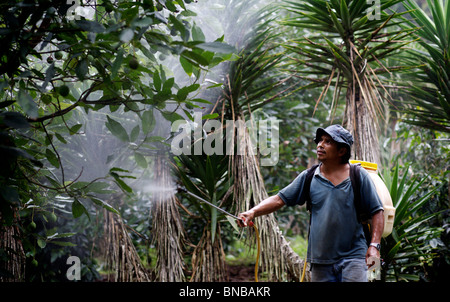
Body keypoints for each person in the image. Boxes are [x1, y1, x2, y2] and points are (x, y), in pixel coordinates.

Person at [237, 124, 384, 282]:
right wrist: (252, 212)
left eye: (328, 141)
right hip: (320, 261)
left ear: (342, 151)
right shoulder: (309, 177)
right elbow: (279, 199)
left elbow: (377, 211)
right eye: (320, 140)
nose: (320, 145)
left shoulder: (358, 176)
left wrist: (374, 246)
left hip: (354, 257)